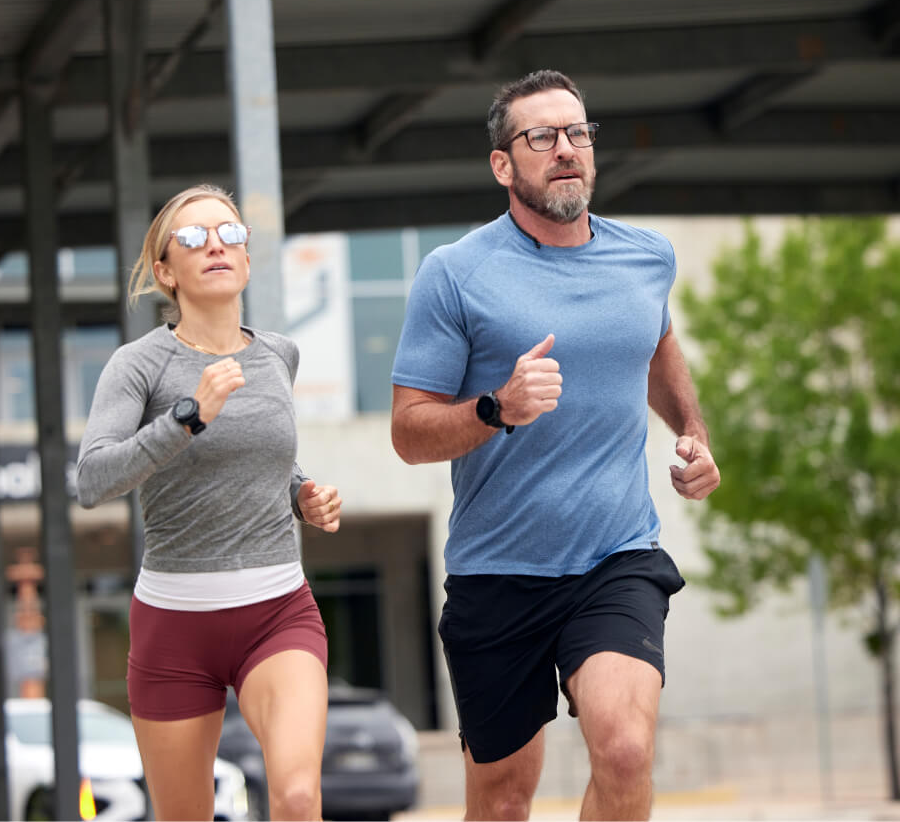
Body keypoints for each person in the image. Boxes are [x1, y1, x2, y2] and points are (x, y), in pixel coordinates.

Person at [390, 70, 720, 821]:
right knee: (504, 802)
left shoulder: (645, 257)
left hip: (615, 556)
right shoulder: (455, 275)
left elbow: (655, 344)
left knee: (626, 749)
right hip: (497, 571)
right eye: (541, 136)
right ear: (504, 164)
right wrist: (495, 408)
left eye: (577, 133)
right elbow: (409, 432)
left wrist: (693, 434)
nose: (566, 149)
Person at [77, 183, 341, 821]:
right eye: (192, 237)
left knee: (300, 795)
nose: (215, 245)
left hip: (277, 612)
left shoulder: (280, 353)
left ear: (248, 259)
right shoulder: (138, 365)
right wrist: (186, 418)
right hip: (175, 624)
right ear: (166, 270)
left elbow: (267, 455)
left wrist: (301, 494)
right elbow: (91, 480)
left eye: (229, 233)